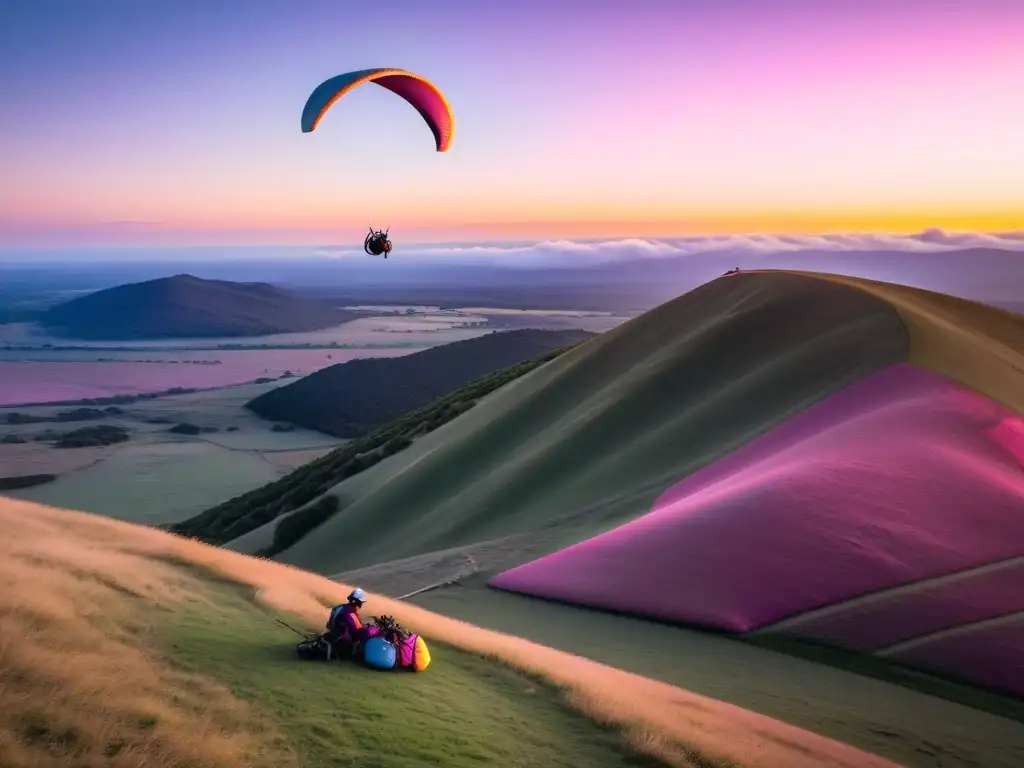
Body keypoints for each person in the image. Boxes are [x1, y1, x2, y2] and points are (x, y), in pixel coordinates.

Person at [324, 588, 369, 660]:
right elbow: (357, 631)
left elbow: (328, 625)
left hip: (332, 636)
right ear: (359, 603)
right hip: (341, 642)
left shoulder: (340, 607)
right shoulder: (350, 612)